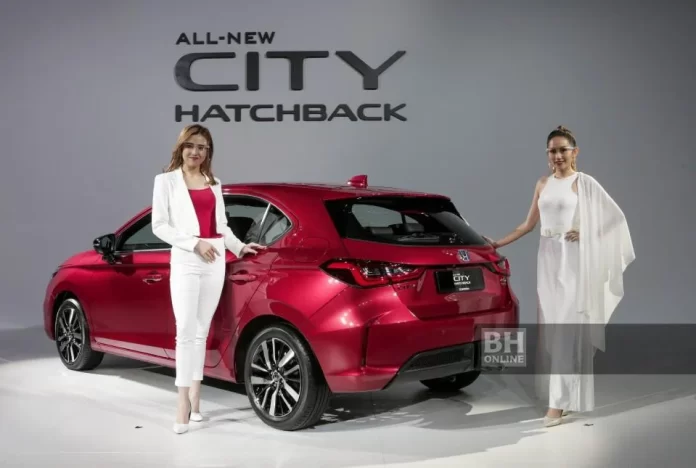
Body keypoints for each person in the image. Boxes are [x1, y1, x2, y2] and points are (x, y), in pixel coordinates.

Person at [483, 125, 635, 427]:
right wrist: (496, 243)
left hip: (572, 261)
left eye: (563, 149)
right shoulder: (543, 183)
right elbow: (528, 225)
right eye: (552, 150)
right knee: (554, 333)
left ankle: (556, 404)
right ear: (547, 154)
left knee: (566, 330)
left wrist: (587, 232)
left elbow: (615, 219)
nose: (557, 155)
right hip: (548, 260)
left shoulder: (584, 182)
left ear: (574, 152)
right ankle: (566, 398)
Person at [151, 124, 266, 434]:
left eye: (202, 147)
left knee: (202, 332)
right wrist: (194, 243)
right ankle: (182, 404)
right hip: (187, 259)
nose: (196, 152)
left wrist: (239, 247)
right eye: (191, 145)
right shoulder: (166, 181)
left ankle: (196, 399)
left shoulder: (213, 183)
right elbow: (159, 225)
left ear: (208, 152)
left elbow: (221, 226)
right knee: (185, 332)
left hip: (214, 260)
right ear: (181, 147)